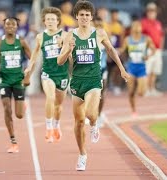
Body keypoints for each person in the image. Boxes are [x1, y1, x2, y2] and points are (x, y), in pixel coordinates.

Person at [57, 0, 129, 171]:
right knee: (79, 121)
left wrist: (121, 69)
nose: (84, 18)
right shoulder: (70, 36)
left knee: (89, 114)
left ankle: (95, 123)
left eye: (87, 15)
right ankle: (82, 155)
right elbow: (60, 61)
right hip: (76, 81)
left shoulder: (99, 33)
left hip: (94, 80)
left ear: (91, 17)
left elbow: (111, 50)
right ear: (76, 17)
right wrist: (68, 50)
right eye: (81, 15)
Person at [25, 7, 69, 143]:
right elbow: (34, 54)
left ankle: (56, 125)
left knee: (58, 106)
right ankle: (49, 128)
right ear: (44, 21)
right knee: (50, 97)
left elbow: (71, 53)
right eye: (48, 19)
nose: (50, 21)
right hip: (47, 73)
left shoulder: (65, 35)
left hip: (62, 75)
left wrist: (64, 45)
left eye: (53, 19)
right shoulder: (41, 37)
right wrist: (29, 67)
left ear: (58, 21)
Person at [0, 17, 31, 153]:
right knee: (7, 108)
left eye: (13, 24)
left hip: (18, 80)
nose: (10, 26)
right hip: (4, 80)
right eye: (7, 24)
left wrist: (27, 76)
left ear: (17, 27)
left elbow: (32, 60)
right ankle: (13, 141)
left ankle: (22, 104)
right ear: (4, 26)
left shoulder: (21, 42)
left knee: (19, 115)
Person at [119, 21, 155, 117]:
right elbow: (122, 49)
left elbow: (154, 49)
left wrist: (148, 56)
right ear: (131, 28)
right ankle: (133, 110)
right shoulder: (128, 39)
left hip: (141, 67)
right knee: (131, 92)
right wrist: (116, 51)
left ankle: (140, 88)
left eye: (138, 26)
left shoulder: (146, 39)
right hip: (131, 67)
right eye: (134, 26)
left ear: (141, 28)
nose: (136, 28)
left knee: (141, 93)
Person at [141, 2, 164, 97]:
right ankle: (145, 90)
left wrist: (161, 49)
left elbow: (162, 36)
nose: (152, 13)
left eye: (153, 11)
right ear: (147, 12)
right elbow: (140, 36)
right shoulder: (143, 22)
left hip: (157, 50)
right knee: (147, 70)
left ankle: (152, 88)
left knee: (155, 70)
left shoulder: (158, 23)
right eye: (150, 11)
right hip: (148, 50)